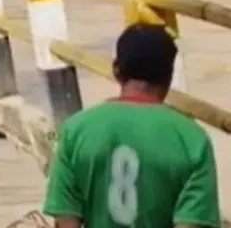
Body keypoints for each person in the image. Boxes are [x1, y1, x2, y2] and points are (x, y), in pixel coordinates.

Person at [42, 23, 221, 228]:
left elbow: (66, 219)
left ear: (116, 69)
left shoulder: (76, 130)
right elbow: (191, 224)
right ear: (169, 74)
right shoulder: (193, 140)